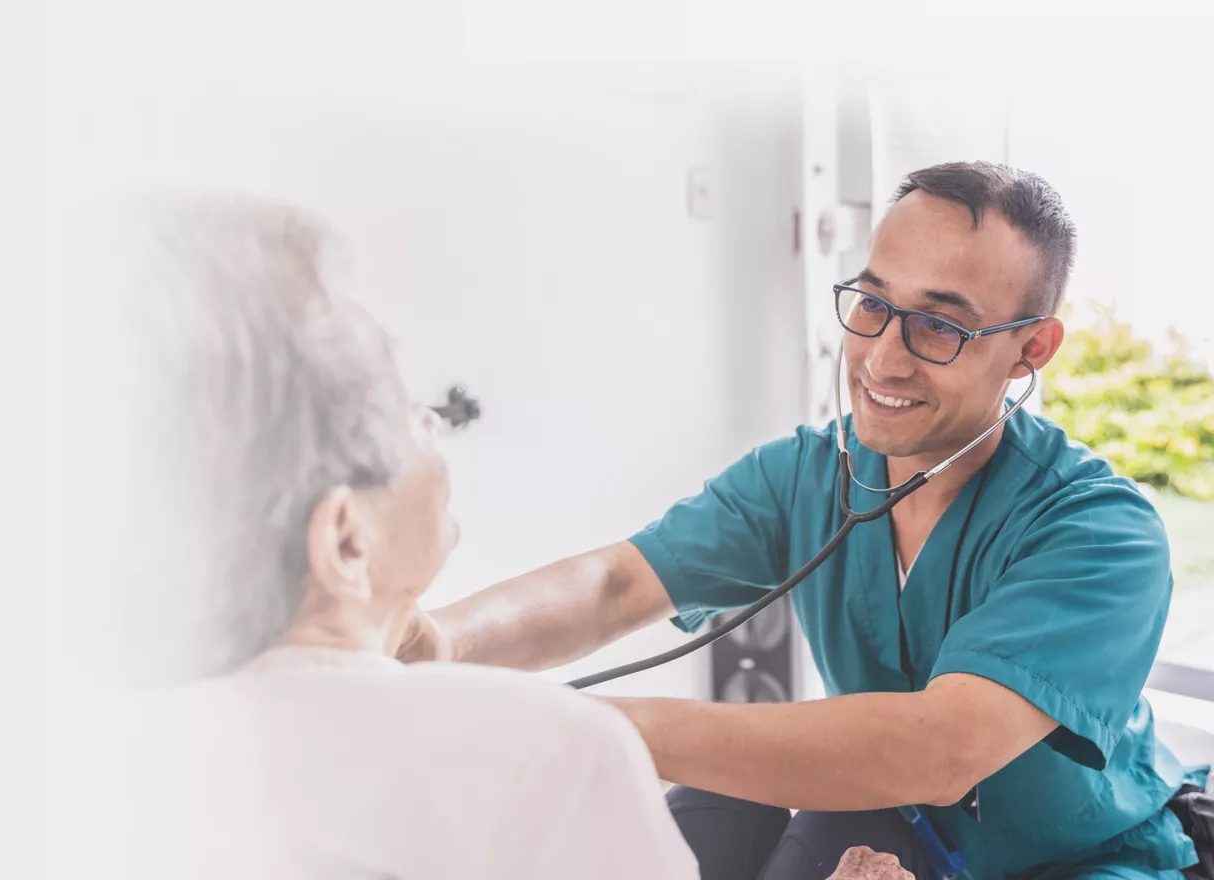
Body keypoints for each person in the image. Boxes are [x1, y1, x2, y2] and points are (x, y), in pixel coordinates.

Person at [399, 161, 1212, 879]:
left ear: (1032, 349)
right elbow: (615, 585)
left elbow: (938, 748)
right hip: (892, 828)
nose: (881, 359)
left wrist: (584, 728)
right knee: (721, 801)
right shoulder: (812, 471)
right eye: (871, 302)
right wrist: (440, 642)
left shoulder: (1103, 533)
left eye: (940, 324)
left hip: (1071, 861)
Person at [108, 195, 906, 880]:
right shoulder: (550, 757)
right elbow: (615, 591)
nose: (431, 425)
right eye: (402, 407)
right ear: (346, 540)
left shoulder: (100, 758)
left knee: (738, 795)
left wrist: (437, 654)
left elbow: (613, 586)